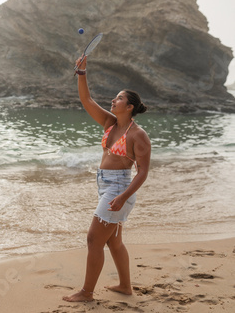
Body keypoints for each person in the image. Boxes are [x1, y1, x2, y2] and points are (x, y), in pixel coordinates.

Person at [63, 57, 151, 302]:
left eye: (119, 98)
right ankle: (125, 286)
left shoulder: (138, 135)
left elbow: (143, 172)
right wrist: (82, 72)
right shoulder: (110, 124)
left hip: (120, 187)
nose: (114, 100)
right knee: (113, 242)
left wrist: (123, 197)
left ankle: (87, 293)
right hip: (104, 185)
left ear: (130, 106)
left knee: (93, 238)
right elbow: (86, 100)